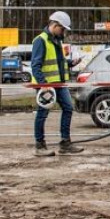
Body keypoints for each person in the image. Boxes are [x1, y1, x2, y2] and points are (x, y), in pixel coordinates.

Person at [31, 10, 84, 157]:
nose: (63, 32)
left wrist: (70, 63)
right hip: (46, 86)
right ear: (54, 25)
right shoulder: (40, 41)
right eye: (62, 29)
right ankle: (40, 145)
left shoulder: (56, 41)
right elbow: (35, 66)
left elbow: (57, 62)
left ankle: (65, 143)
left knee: (68, 108)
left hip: (59, 84)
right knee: (42, 114)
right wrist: (44, 85)